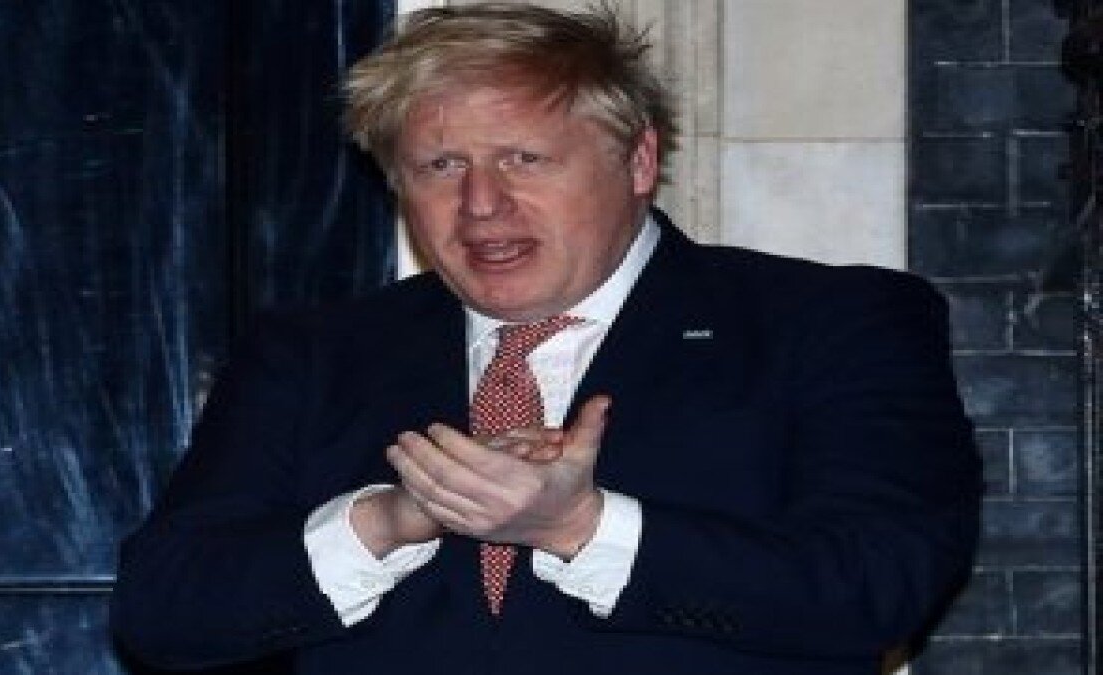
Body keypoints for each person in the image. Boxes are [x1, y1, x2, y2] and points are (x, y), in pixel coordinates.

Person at [111, 3, 981, 673]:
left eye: (525, 159)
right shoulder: (313, 353)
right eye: (441, 166)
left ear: (638, 162)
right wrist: (389, 520)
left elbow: (877, 586)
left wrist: (580, 526)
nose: (481, 204)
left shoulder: (828, 321)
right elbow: (164, 614)